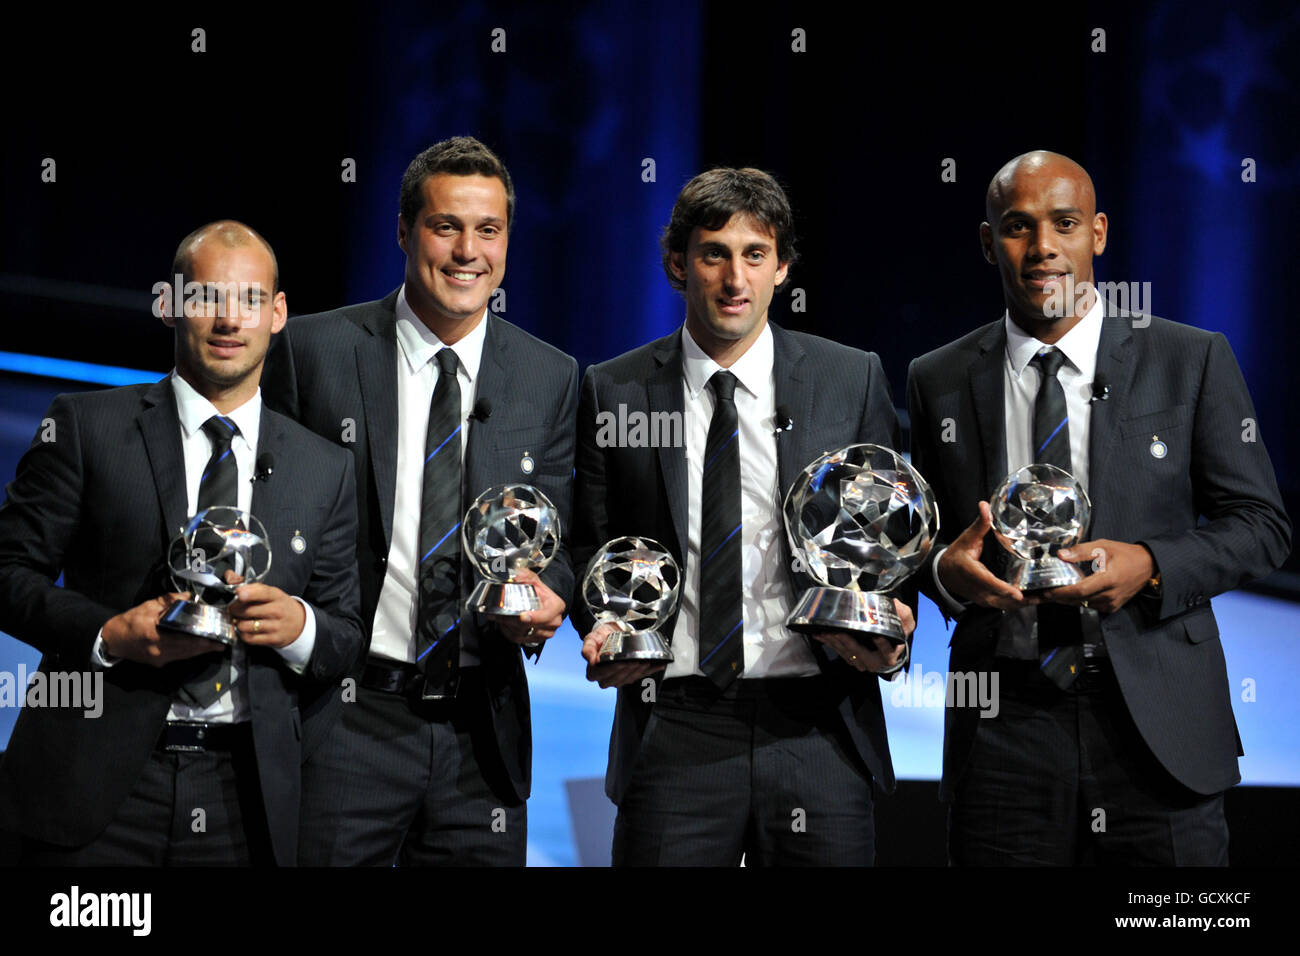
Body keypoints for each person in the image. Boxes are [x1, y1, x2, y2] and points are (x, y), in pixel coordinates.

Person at [907, 150, 1291, 865]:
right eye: (1018, 227)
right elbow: (928, 546)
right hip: (1002, 728)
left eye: (1065, 223)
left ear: (1100, 233)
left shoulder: (1190, 357)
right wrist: (942, 573)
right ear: (989, 243)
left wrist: (1150, 563)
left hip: (1157, 725)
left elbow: (1263, 528)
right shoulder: (939, 378)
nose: (1044, 246)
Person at [570, 167, 915, 866]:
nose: (735, 278)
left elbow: (889, 534)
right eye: (713, 253)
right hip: (674, 726)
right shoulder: (617, 389)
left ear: (782, 266)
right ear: (677, 264)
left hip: (818, 727)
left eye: (755, 254)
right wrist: (601, 625)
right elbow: (590, 542)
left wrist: (892, 625)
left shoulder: (851, 379)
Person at [0, 221, 363, 865]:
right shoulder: (86, 426)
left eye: (250, 299)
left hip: (245, 800)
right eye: (207, 298)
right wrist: (110, 634)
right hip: (95, 786)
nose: (230, 319)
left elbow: (345, 632)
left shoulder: (323, 466)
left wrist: (300, 625)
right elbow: (8, 573)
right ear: (170, 305)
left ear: (278, 314)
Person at [263, 136, 578, 866]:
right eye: (446, 226)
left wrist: (548, 595)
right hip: (343, 718)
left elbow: (559, 537)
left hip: (482, 732)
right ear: (404, 230)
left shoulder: (549, 376)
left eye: (489, 230)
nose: (468, 250)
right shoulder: (314, 352)